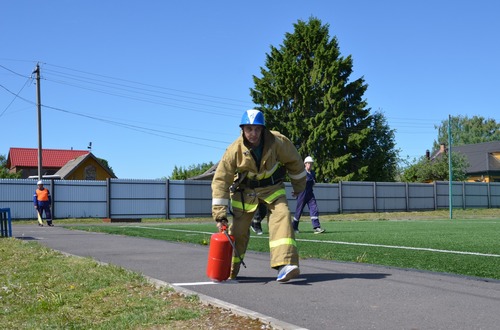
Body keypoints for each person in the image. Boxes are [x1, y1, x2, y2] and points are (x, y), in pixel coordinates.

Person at [211, 109, 306, 282]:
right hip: (245, 193)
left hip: (273, 189)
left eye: (257, 129)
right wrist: (220, 215)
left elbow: (295, 162)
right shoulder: (233, 150)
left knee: (282, 216)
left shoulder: (278, 142)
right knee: (238, 232)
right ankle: (229, 270)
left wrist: (299, 187)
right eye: (249, 129)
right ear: (242, 130)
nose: (253, 133)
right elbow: (221, 181)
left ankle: (285, 265)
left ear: (263, 129)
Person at [292, 156, 325, 234]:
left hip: (310, 194)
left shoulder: (313, 173)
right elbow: (296, 182)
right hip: (302, 194)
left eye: (311, 164)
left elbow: (313, 183)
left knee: (314, 208)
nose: (310, 165)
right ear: (305, 164)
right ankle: (294, 227)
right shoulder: (302, 173)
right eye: (308, 163)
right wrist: (295, 191)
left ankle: (317, 227)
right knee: (299, 211)